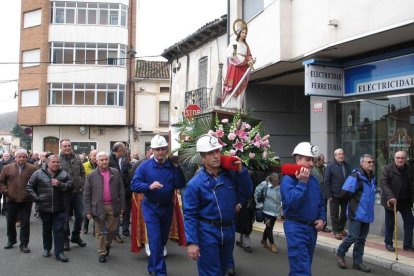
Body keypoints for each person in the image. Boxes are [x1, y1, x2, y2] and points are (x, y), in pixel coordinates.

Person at [184, 134, 253, 276]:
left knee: (223, 271)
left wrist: (241, 171)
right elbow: (190, 215)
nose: (216, 156)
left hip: (228, 231)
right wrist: (192, 242)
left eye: (217, 151)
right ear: (203, 158)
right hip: (207, 232)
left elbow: (247, 191)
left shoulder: (231, 175)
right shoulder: (194, 184)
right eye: (210, 153)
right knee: (210, 273)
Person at [131, 134, 185, 276]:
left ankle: (152, 267)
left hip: (167, 207)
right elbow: (134, 185)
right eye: (157, 149)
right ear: (152, 150)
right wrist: (149, 186)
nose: (160, 152)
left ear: (166, 150)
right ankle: (161, 272)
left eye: (163, 149)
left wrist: (178, 167)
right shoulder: (145, 166)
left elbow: (180, 184)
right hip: (151, 208)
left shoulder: (171, 166)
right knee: (155, 240)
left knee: (160, 241)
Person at [281, 142, 326, 276]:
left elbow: (320, 203)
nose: (311, 164)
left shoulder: (313, 180)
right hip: (296, 227)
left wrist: (322, 218)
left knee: (301, 267)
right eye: (307, 159)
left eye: (312, 160)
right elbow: (290, 204)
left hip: (311, 229)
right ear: (297, 160)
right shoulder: (288, 180)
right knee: (302, 270)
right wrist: (301, 183)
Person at [26, 155, 73, 262]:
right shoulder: (38, 173)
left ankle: (59, 252)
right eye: (53, 162)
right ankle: (47, 248)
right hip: (44, 208)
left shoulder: (64, 174)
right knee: (46, 229)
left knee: (59, 230)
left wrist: (60, 184)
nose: (56, 164)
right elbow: (29, 187)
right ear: (47, 163)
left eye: (57, 162)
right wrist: (37, 199)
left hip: (59, 207)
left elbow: (71, 186)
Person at [336, 154, 376, 273]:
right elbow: (344, 193)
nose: (372, 164)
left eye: (372, 162)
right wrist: (351, 206)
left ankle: (357, 262)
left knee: (361, 239)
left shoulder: (372, 177)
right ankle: (340, 253)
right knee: (352, 237)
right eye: (369, 162)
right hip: (356, 212)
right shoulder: (356, 176)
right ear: (362, 163)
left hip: (367, 214)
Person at [84, 152, 125, 263]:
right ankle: (102, 252)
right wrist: (88, 211)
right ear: (96, 161)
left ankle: (107, 244)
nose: (104, 162)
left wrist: (122, 206)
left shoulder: (115, 173)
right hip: (98, 207)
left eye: (106, 159)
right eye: (101, 160)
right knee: (99, 232)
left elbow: (121, 190)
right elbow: (87, 195)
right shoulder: (91, 176)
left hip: (113, 206)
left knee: (113, 230)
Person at [0, 148, 37, 253]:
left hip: (26, 201)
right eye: (19, 157)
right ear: (15, 157)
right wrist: (6, 191)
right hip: (11, 200)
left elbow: (37, 182)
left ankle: (24, 244)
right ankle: (11, 240)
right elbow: (1, 181)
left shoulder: (33, 168)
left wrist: (32, 194)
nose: (21, 158)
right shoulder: (7, 168)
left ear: (27, 157)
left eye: (24, 157)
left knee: (25, 223)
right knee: (10, 222)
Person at [380, 151, 414, 252]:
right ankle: (388, 243)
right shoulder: (387, 169)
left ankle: (407, 244)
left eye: (402, 158)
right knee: (390, 223)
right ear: (394, 158)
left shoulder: (409, 169)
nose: (400, 160)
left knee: (409, 222)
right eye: (398, 158)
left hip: (406, 201)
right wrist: (391, 197)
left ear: (406, 159)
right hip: (391, 202)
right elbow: (384, 184)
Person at [59, 139, 87, 251]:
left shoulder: (76, 158)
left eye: (68, 145)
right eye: (65, 146)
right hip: (64, 193)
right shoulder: (57, 159)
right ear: (61, 147)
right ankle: (66, 239)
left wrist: (82, 185)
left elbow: (83, 173)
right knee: (65, 218)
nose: (67, 148)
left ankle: (76, 236)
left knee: (80, 216)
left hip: (77, 192)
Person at [222, 19, 255, 109]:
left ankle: (238, 106)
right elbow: (229, 54)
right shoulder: (234, 43)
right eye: (243, 32)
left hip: (243, 67)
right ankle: (229, 106)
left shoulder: (246, 45)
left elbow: (249, 55)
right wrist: (233, 55)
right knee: (233, 85)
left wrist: (251, 61)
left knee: (241, 86)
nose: (244, 34)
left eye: (245, 33)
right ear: (239, 33)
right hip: (234, 66)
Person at [324, 148, 351, 240]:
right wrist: (328, 195)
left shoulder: (347, 165)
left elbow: (350, 179)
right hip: (334, 194)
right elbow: (326, 181)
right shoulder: (330, 166)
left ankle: (341, 229)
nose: (341, 156)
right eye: (339, 154)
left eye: (342, 154)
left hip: (345, 194)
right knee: (334, 214)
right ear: (335, 156)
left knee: (345, 213)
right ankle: (336, 231)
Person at [254, 173, 282, 253]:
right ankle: (272, 244)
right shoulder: (265, 184)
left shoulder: (279, 187)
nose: (277, 183)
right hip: (266, 210)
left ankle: (263, 240)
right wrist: (259, 205)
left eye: (278, 181)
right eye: (275, 181)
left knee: (269, 227)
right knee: (269, 227)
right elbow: (256, 194)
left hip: (275, 211)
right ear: (271, 180)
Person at [109, 142, 131, 240]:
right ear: (119, 151)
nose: (125, 151)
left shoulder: (125, 159)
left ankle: (121, 232)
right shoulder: (109, 160)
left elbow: (127, 173)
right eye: (124, 150)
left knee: (123, 211)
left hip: (124, 190)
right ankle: (113, 234)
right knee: (114, 213)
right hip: (113, 191)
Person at [311, 154, 331, 233]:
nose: (324, 161)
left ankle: (324, 225)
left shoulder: (324, 168)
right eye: (322, 160)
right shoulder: (312, 169)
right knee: (316, 207)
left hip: (324, 192)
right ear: (318, 160)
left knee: (324, 208)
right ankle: (315, 223)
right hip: (316, 192)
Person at [82, 149, 98, 234]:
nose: (96, 157)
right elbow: (81, 177)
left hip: (98, 191)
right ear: (90, 156)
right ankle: (85, 226)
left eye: (97, 155)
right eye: (94, 155)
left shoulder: (101, 166)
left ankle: (96, 228)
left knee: (97, 210)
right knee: (86, 210)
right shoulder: (84, 165)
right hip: (87, 191)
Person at [0, 151, 12, 215]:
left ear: (9, 157)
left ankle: (5, 210)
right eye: (5, 156)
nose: (6, 157)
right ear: (3, 157)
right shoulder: (0, 163)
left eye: (7, 156)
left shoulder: (11, 164)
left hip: (7, 183)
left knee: (5, 197)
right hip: (0, 182)